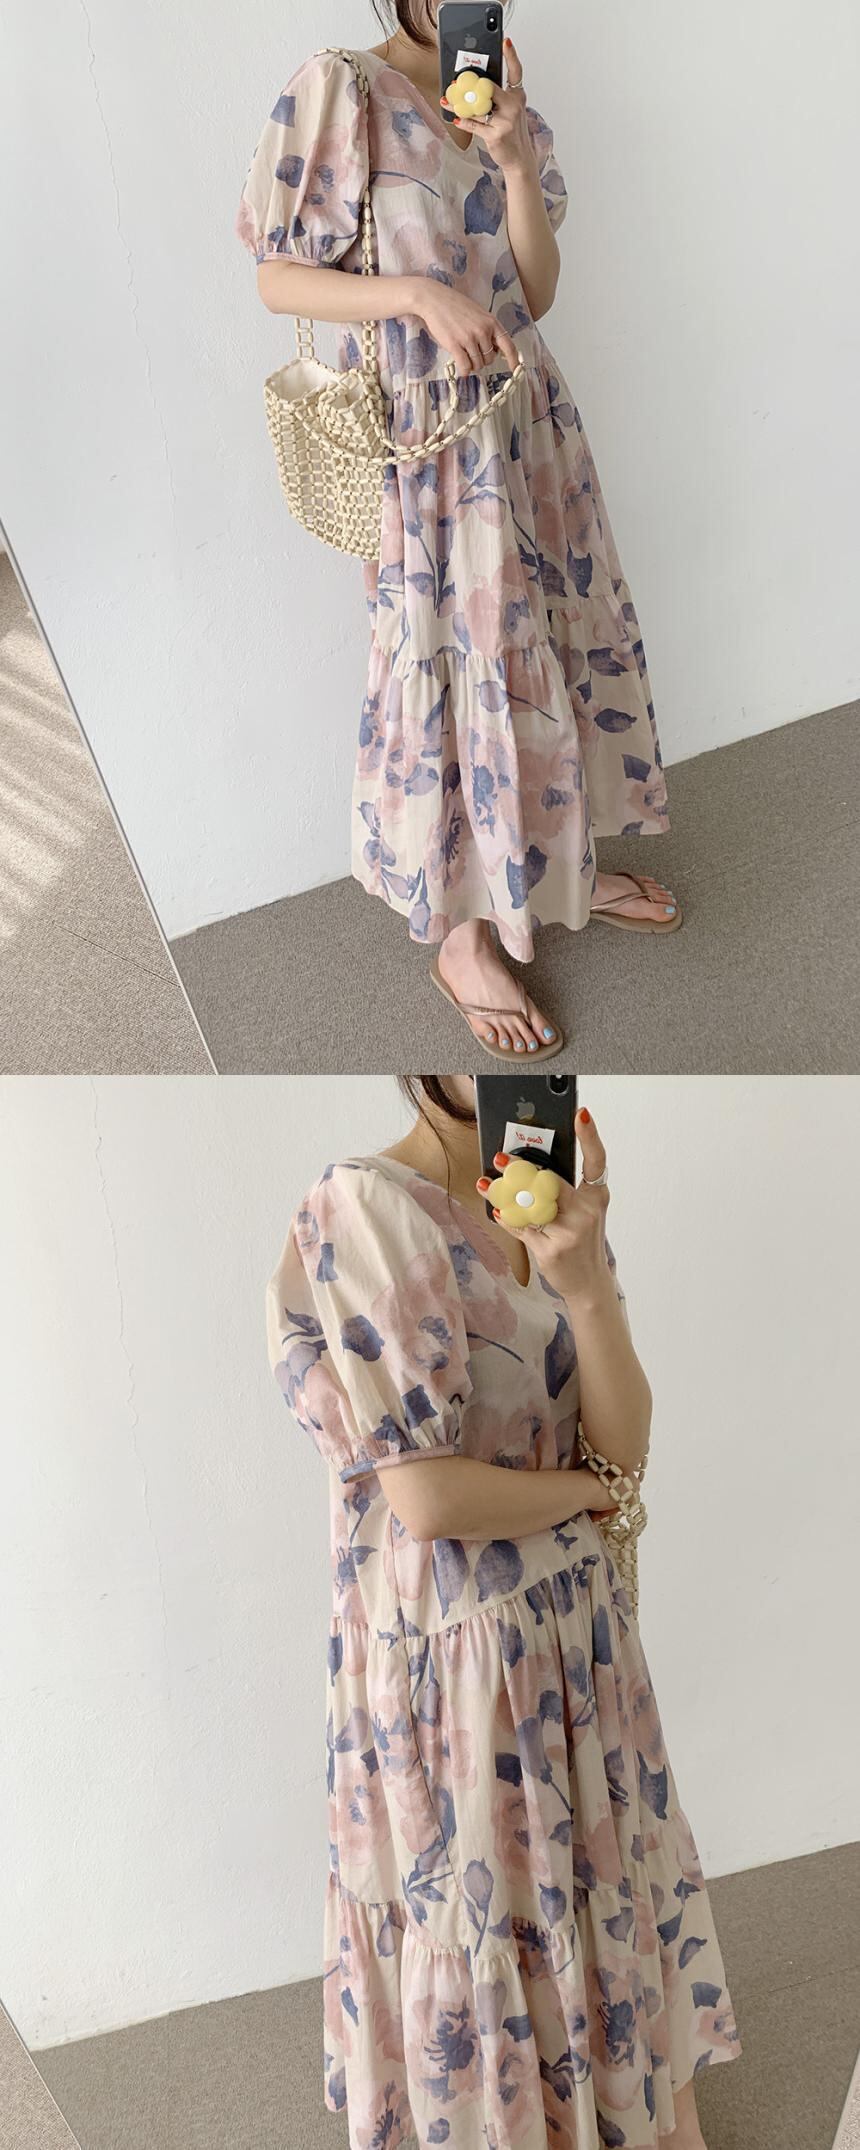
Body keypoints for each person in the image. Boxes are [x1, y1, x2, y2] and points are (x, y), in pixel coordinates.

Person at [267, 1078, 741, 2147]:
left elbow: (625, 1441)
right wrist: (584, 1495)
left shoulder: (542, 1203)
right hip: (461, 1655)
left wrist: (584, 1278)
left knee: (587, 1886)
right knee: (490, 1914)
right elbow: (430, 1499)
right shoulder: (365, 1203)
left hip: (574, 1630)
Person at [238, 4, 681, 1060]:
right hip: (426, 445)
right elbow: (274, 277)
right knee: (454, 663)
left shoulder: (498, 95)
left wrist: (515, 160)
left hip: (524, 420)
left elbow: (535, 292)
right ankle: (462, 937)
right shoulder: (340, 86)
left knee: (551, 644)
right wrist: (415, 298)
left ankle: (555, 867)